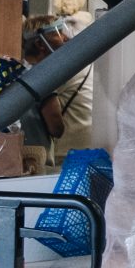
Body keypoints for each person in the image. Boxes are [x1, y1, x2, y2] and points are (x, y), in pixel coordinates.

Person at [21, 12, 94, 171]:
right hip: (47, 160)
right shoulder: (46, 76)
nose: (66, 38)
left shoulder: (20, 75)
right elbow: (56, 126)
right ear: (41, 44)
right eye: (59, 33)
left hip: (26, 160)